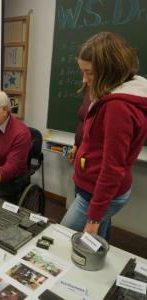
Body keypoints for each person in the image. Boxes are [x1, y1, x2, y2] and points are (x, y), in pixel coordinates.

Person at [61, 32, 147, 238]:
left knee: (62, 236)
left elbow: (112, 168)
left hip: (96, 192)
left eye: (89, 72)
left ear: (109, 69)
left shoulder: (118, 107)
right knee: (97, 238)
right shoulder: (109, 89)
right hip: (90, 186)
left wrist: (93, 218)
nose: (84, 79)